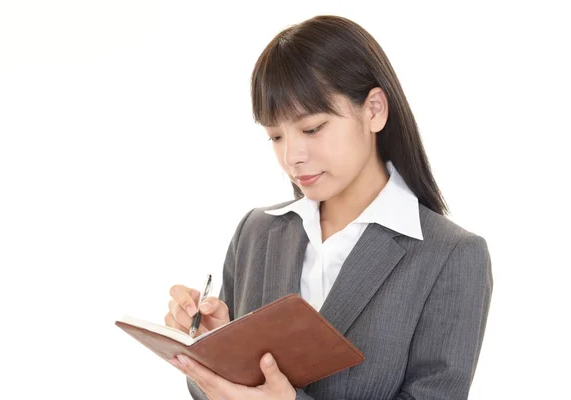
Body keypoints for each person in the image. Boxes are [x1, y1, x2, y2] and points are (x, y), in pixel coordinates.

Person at [164, 14, 493, 400]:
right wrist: (214, 347)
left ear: (374, 110)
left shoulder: (450, 255)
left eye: (312, 128)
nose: (292, 156)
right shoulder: (256, 232)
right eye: (275, 136)